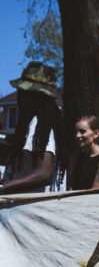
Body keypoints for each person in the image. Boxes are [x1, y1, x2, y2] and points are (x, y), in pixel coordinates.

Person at [0, 62, 63, 195]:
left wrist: (2, 187)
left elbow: (44, 173)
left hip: (30, 209)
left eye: (23, 91)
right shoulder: (43, 121)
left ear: (35, 96)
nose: (19, 96)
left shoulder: (40, 123)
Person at [70, 116, 99, 190]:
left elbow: (95, 193)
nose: (77, 135)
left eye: (82, 131)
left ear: (96, 134)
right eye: (76, 132)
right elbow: (71, 188)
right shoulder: (76, 158)